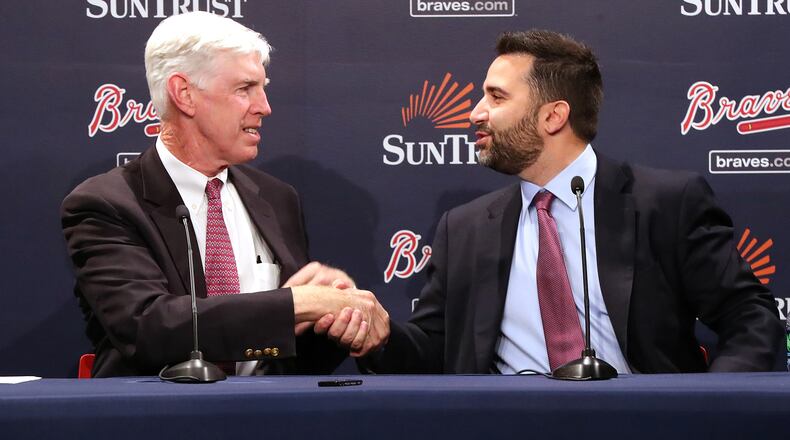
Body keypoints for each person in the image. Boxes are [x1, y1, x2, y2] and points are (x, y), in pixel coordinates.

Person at [363, 30, 781, 374]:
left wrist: (709, 408)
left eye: (496, 97)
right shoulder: (465, 227)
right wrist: (378, 335)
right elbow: (433, 348)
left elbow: (749, 316)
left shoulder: (666, 203)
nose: (475, 113)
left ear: (553, 116)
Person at [61, 12, 388, 377]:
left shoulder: (277, 199)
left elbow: (288, 360)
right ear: (184, 94)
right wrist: (296, 304)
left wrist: (333, 322)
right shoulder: (106, 204)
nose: (264, 106)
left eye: (263, 88)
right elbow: (147, 327)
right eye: (244, 89)